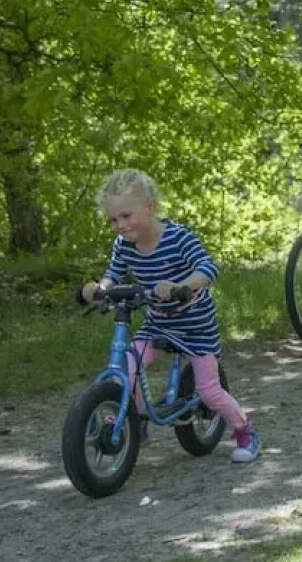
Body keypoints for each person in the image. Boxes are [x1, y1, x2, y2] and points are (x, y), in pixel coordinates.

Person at [81, 169, 260, 463]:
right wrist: (100, 288)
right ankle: (135, 419)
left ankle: (244, 430)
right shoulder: (123, 245)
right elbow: (113, 274)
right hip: (158, 322)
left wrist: (182, 286)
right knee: (127, 366)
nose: (121, 226)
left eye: (127, 216)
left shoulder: (178, 238)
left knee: (209, 391)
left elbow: (208, 268)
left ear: (150, 207)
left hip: (195, 326)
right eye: (114, 220)